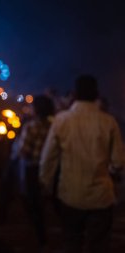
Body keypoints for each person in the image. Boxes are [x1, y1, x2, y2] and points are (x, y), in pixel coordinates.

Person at [40, 75, 125, 253]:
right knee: (98, 246)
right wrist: (110, 170)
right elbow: (119, 161)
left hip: (70, 195)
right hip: (101, 197)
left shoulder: (62, 120)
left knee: (71, 242)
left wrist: (46, 185)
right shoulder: (108, 122)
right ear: (97, 94)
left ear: (75, 94)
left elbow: (48, 159)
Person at [18, 95, 55, 249]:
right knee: (46, 200)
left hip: (32, 168)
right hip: (50, 167)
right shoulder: (54, 125)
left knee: (32, 202)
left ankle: (40, 238)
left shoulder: (31, 126)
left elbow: (23, 151)